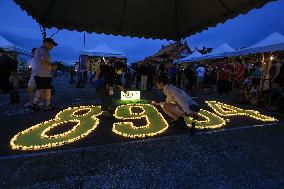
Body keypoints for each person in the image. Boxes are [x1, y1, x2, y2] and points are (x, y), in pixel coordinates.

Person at [31, 38, 57, 110]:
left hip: (39, 73)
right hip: (43, 74)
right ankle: (46, 104)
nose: (52, 46)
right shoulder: (44, 50)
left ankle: (35, 103)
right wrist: (52, 66)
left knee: (41, 88)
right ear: (47, 43)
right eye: (52, 44)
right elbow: (43, 62)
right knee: (46, 88)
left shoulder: (39, 50)